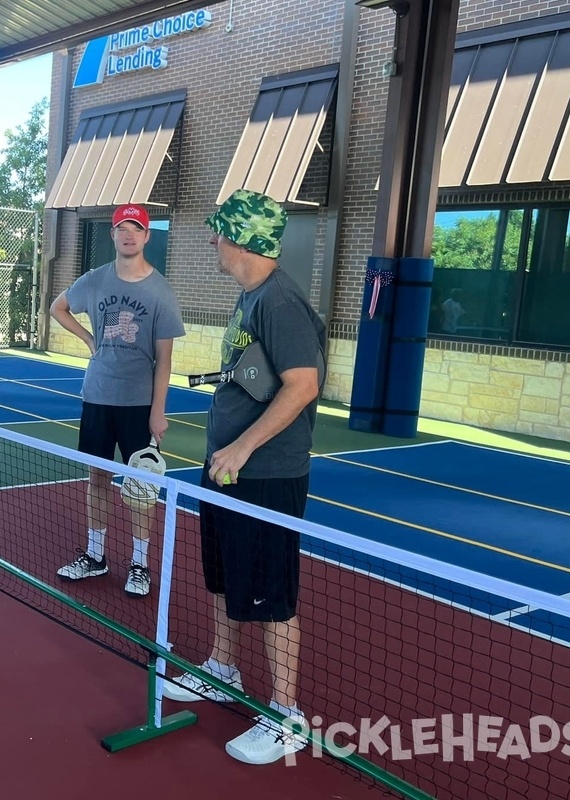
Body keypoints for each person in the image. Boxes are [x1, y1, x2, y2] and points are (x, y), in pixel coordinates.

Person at [161, 189, 325, 766]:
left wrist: (242, 446)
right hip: (230, 470)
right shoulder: (250, 297)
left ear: (243, 239)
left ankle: (287, 717)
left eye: (219, 231)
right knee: (227, 577)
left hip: (266, 477)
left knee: (270, 595)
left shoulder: (279, 303)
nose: (212, 240)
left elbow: (304, 385)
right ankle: (223, 668)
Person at [49, 203, 185, 597]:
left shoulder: (160, 290)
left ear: (146, 236)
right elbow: (58, 307)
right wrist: (89, 339)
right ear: (113, 235)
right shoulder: (94, 280)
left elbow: (165, 360)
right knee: (97, 477)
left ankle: (139, 564)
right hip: (97, 396)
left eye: (136, 229)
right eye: (122, 228)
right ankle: (96, 556)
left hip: (138, 403)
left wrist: (158, 412)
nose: (128, 234)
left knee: (140, 488)